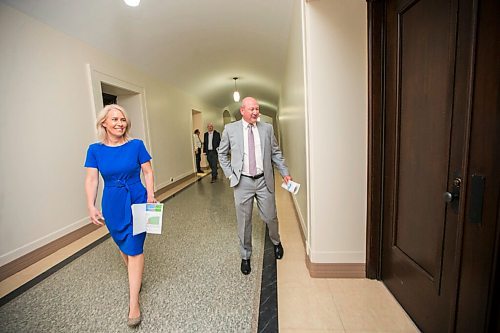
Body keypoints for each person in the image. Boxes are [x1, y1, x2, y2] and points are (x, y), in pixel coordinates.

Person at [84, 104, 156, 327]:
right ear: (104, 123)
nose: (120, 123)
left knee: (135, 248)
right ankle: (134, 275)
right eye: (115, 119)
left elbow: (148, 171)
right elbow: (92, 179)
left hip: (136, 198)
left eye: (123, 119)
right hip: (113, 202)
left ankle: (133, 302)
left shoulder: (136, 145)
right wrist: (91, 205)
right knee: (123, 244)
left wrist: (151, 196)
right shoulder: (95, 150)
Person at [218, 97, 291, 275]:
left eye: (257, 109)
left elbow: (275, 153)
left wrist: (284, 172)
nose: (255, 112)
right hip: (242, 182)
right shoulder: (230, 129)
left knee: (270, 216)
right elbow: (222, 154)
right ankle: (245, 255)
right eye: (251, 109)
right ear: (242, 110)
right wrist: (231, 175)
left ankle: (276, 241)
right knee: (244, 221)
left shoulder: (267, 128)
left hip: (263, 180)